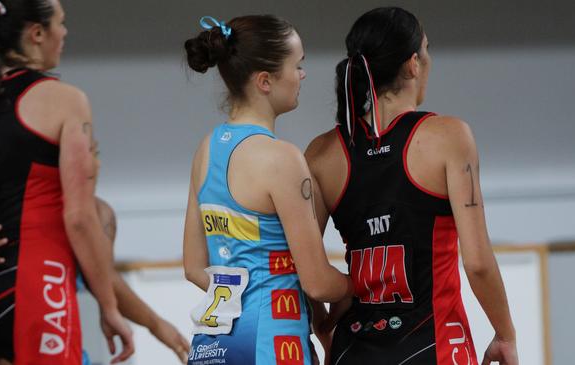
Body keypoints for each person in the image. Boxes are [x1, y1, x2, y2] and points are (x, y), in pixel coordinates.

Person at [305, 7, 519, 365]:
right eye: (427, 49)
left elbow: (303, 265)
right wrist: (505, 334)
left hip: (352, 349)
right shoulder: (449, 136)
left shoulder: (321, 153)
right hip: (433, 346)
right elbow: (478, 262)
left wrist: (324, 327)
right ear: (413, 64)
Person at [182, 15, 354, 365]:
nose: (302, 75)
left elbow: (194, 267)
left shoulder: (207, 149)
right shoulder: (281, 158)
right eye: (297, 65)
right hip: (273, 346)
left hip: (212, 348)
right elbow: (318, 283)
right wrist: (359, 285)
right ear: (265, 81)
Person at [0, 0, 133, 363]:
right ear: (37, 33)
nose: (64, 34)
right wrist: (109, 307)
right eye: (61, 24)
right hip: (34, 281)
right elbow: (79, 217)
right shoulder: (64, 101)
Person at [95, 198, 191, 363]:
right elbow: (103, 275)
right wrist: (109, 308)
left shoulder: (99, 213)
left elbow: (103, 276)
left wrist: (156, 325)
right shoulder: (94, 213)